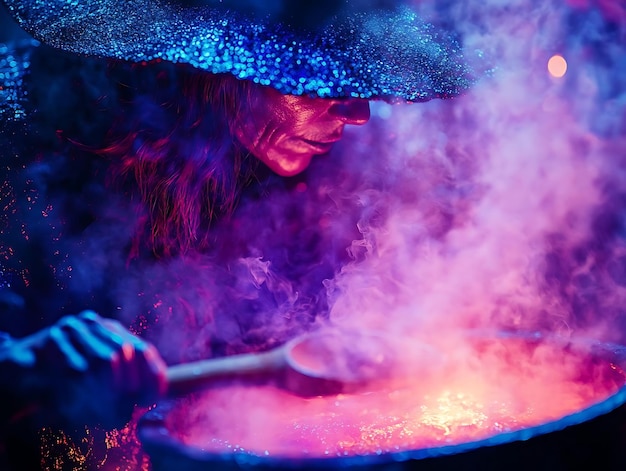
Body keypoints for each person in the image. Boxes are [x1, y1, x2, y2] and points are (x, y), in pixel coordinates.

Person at [0, 0, 477, 468]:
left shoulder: (313, 164)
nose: (358, 114)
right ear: (208, 62)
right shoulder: (17, 135)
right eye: (317, 76)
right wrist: (20, 365)